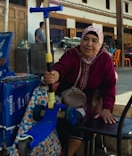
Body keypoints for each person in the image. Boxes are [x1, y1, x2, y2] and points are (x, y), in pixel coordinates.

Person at [43, 25, 117, 156]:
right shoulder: (72, 53)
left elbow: (110, 85)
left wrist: (107, 108)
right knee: (55, 115)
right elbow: (61, 67)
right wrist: (55, 74)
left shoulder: (105, 59)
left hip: (89, 102)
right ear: (81, 40)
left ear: (100, 44)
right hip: (67, 97)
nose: (89, 44)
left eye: (94, 41)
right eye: (86, 39)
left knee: (79, 120)